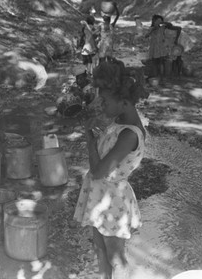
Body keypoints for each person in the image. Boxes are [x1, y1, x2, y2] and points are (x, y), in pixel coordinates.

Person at [73, 58, 148, 279]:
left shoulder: (129, 135)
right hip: (102, 195)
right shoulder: (120, 123)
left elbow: (98, 172)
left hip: (113, 199)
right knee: (99, 249)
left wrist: (90, 142)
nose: (101, 104)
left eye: (105, 100)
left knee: (116, 258)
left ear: (124, 102)